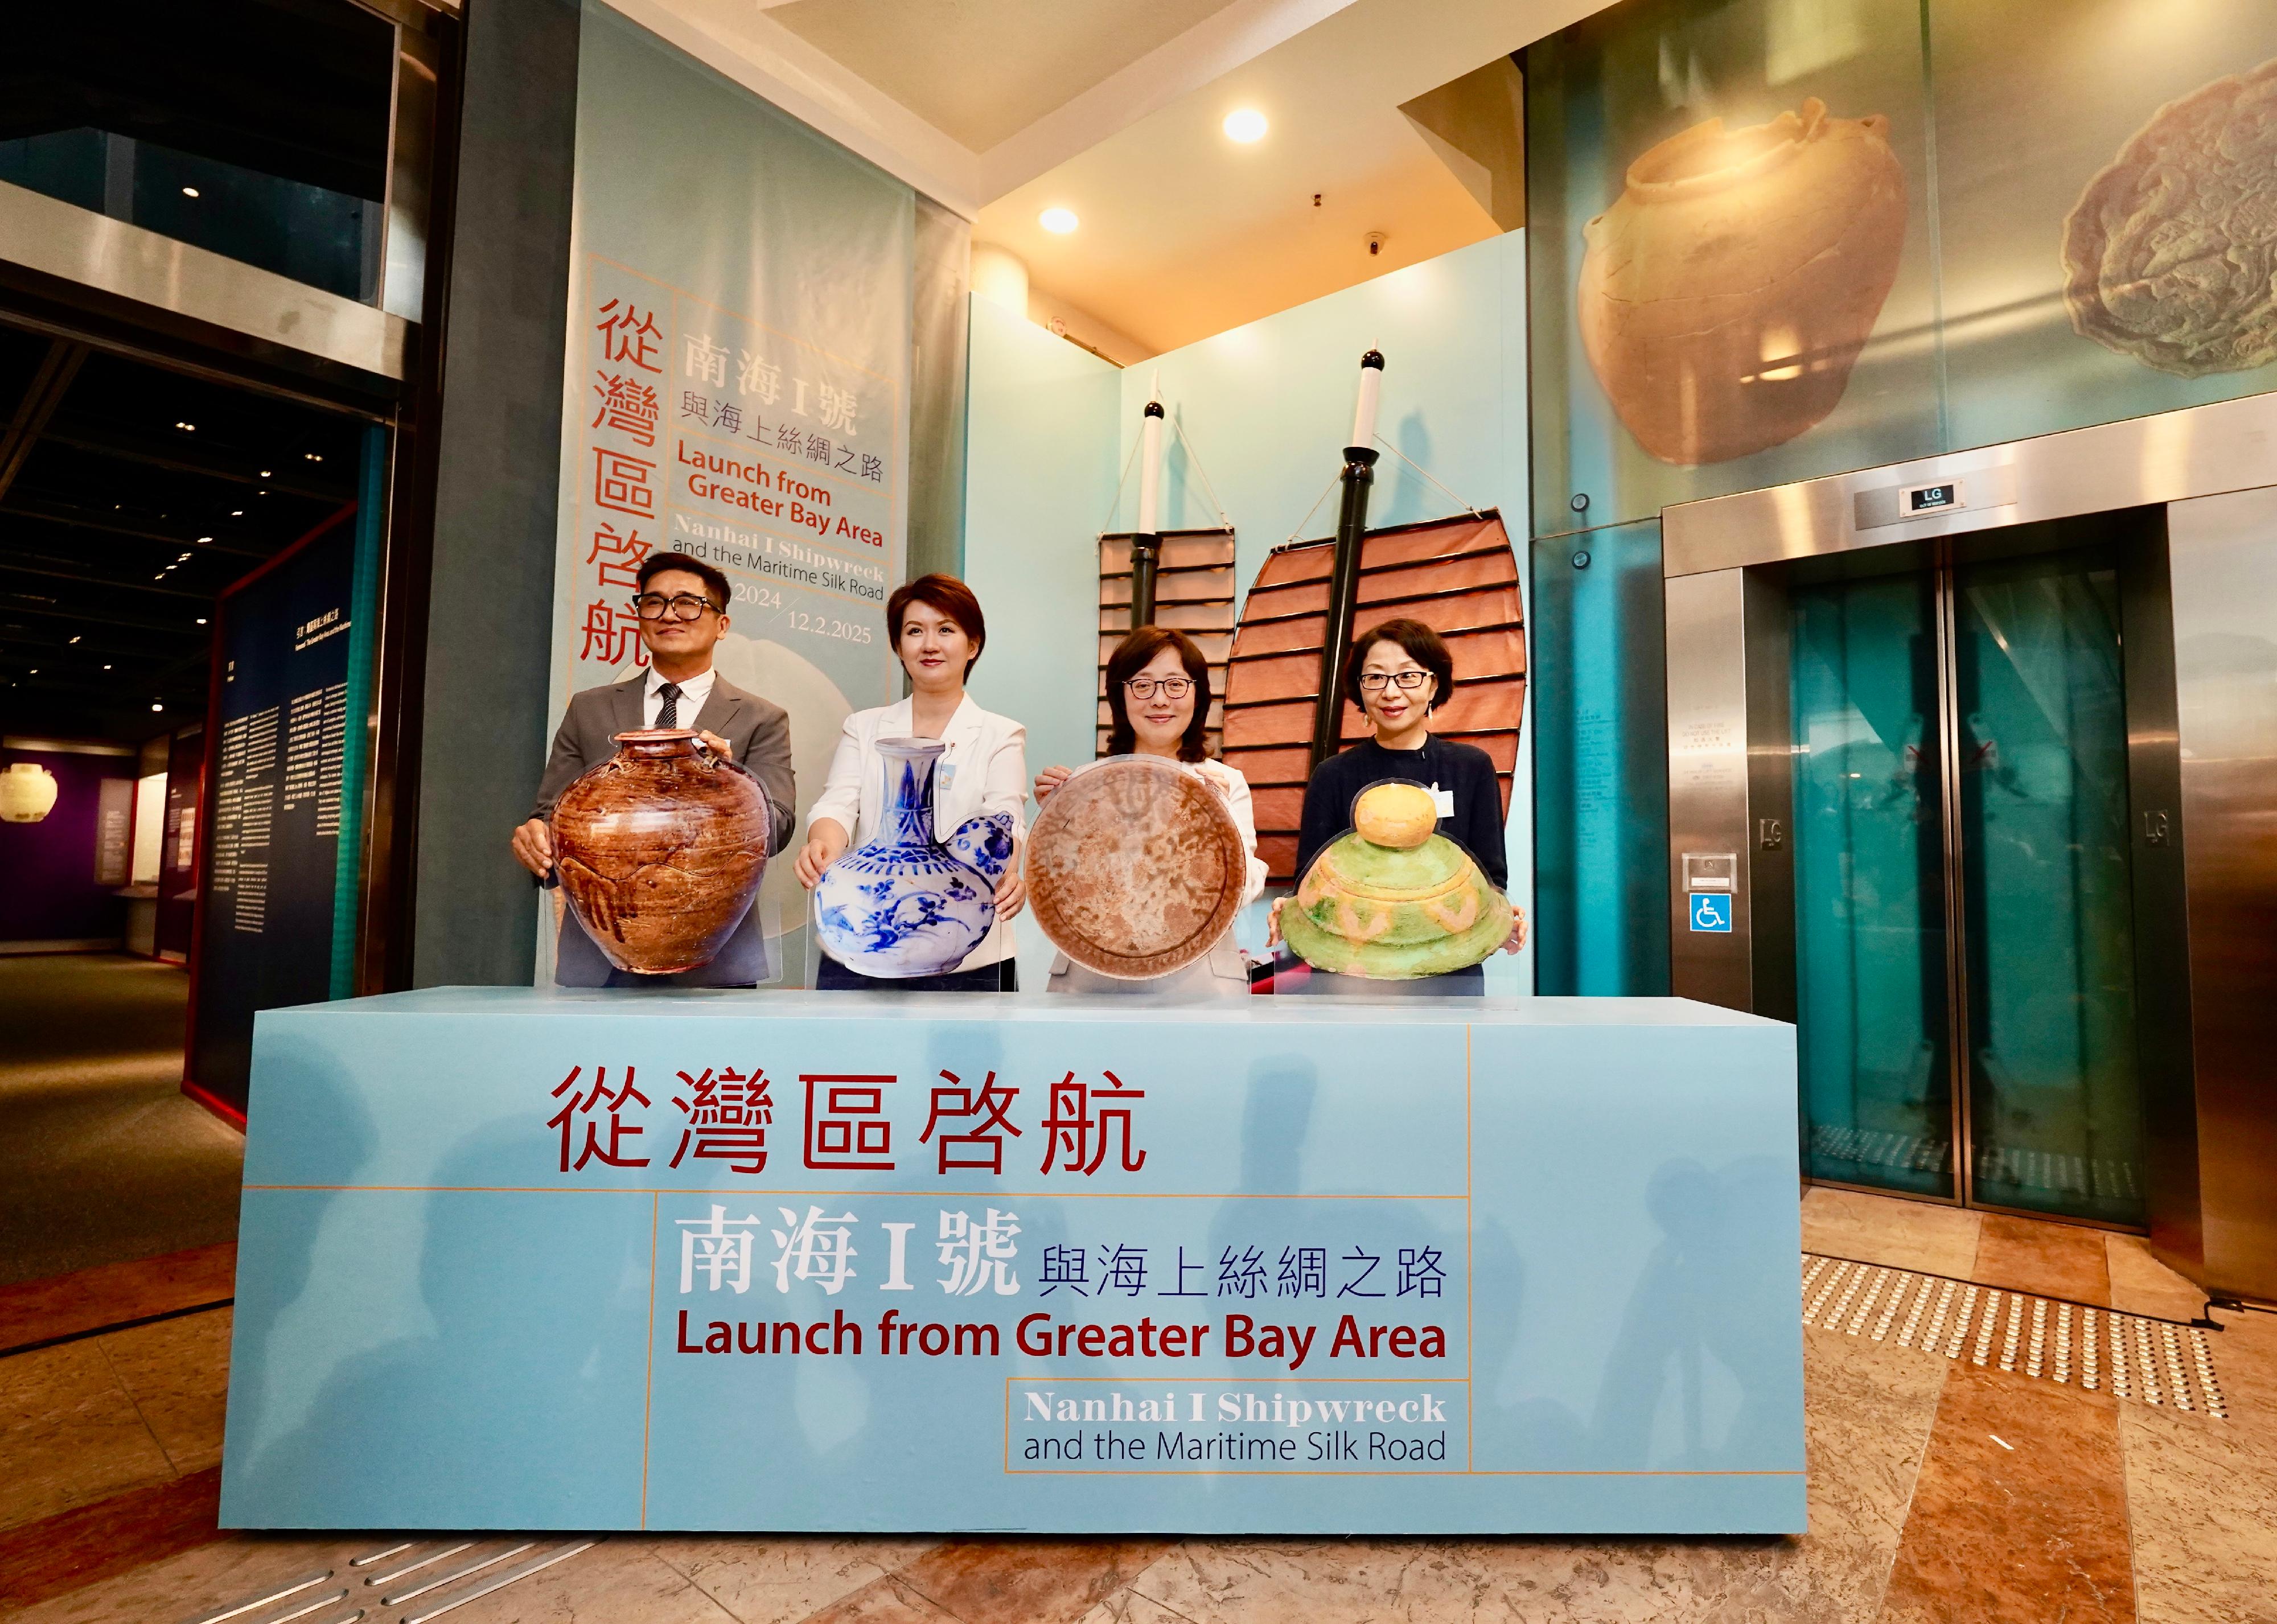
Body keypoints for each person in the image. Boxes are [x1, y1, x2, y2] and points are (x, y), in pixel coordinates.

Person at [513, 551, 795, 986]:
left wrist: (729, 780)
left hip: (715, 959)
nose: (669, 614)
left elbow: (777, 827)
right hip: (601, 951)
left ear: (722, 625)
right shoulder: (589, 709)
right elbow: (551, 813)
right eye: (654, 602)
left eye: (688, 603)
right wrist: (536, 837)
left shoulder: (762, 718)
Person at [795, 573, 1027, 990]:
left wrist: (1007, 870)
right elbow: (838, 805)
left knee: (962, 1060)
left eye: (946, 630)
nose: (930, 644)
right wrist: (822, 846)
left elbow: (1007, 817)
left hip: (968, 951)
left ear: (973, 645)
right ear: (899, 646)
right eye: (914, 631)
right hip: (866, 941)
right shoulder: (864, 727)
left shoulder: (1000, 734)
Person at [1272, 615, 1525, 993]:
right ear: (1359, 688)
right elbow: (1310, 878)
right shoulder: (1333, 774)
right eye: (1375, 677)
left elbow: (1491, 875)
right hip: (1350, 973)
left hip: (1449, 966)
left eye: (1408, 676)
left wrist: (1501, 915)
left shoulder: (1470, 766)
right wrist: (1289, 909)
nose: (1391, 692)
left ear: (1433, 683)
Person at [1033, 626, 1267, 996]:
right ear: (1120, 697)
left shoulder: (1223, 782)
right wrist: (1054, 820)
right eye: (1143, 685)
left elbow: (1249, 887)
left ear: (1198, 694)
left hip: (1200, 982)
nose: (1160, 700)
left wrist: (1219, 824)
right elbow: (1056, 887)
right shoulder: (1084, 783)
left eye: (1176, 684)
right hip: (1092, 976)